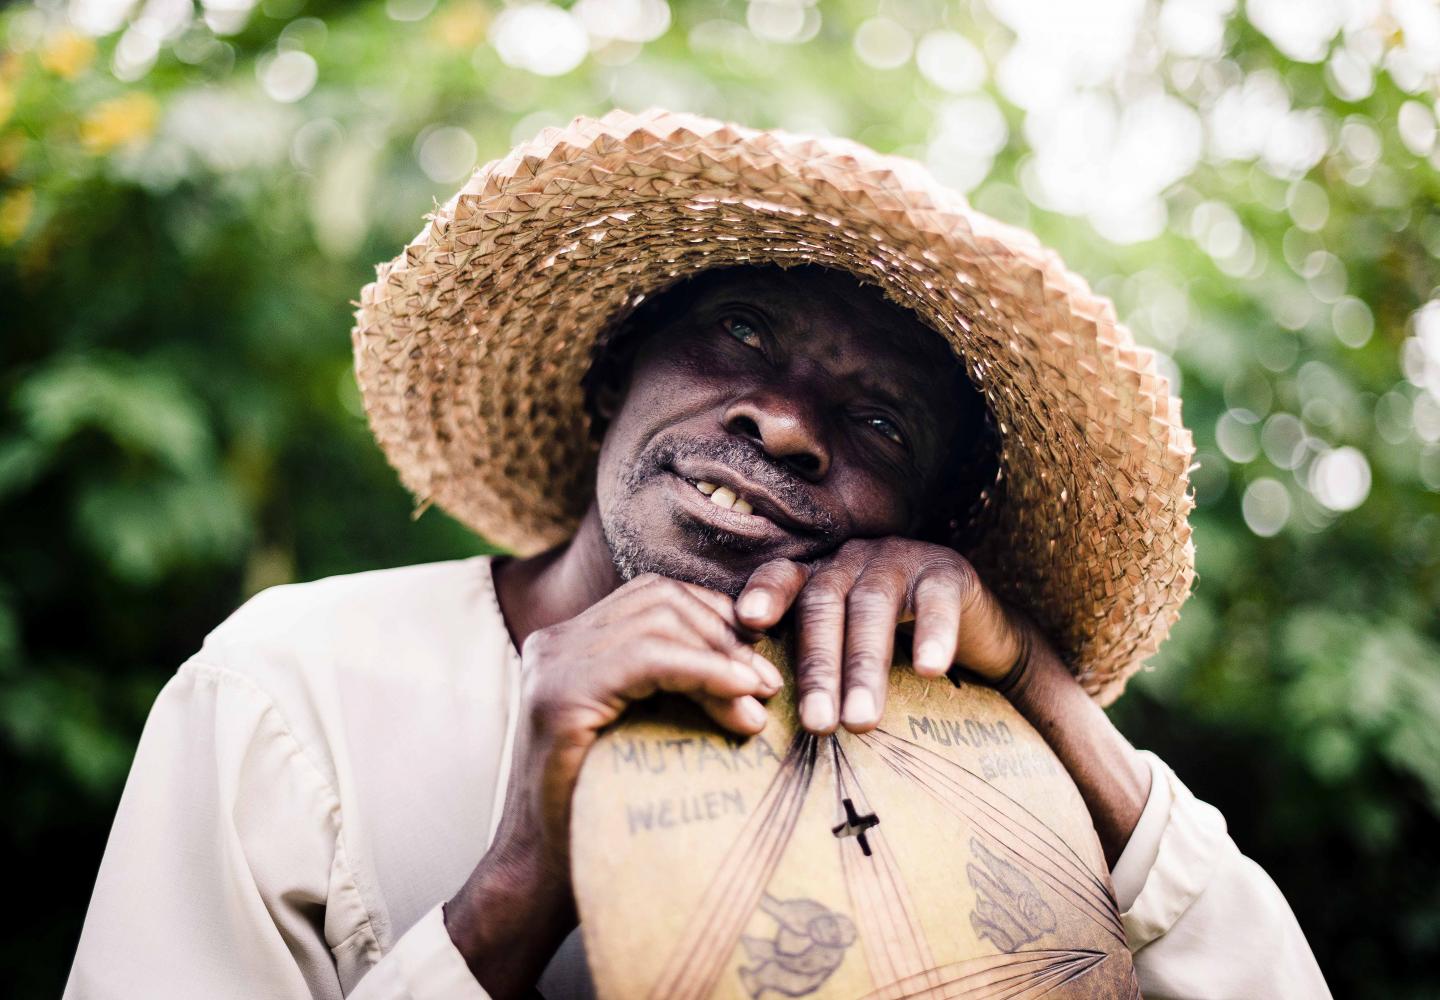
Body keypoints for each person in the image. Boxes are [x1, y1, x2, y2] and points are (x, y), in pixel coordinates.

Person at [64, 110, 1330, 999]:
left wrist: (1038, 688)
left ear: (920, 525)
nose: (781, 420)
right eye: (739, 331)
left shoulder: (962, 755)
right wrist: (513, 890)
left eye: (880, 419)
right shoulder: (294, 685)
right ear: (614, 372)